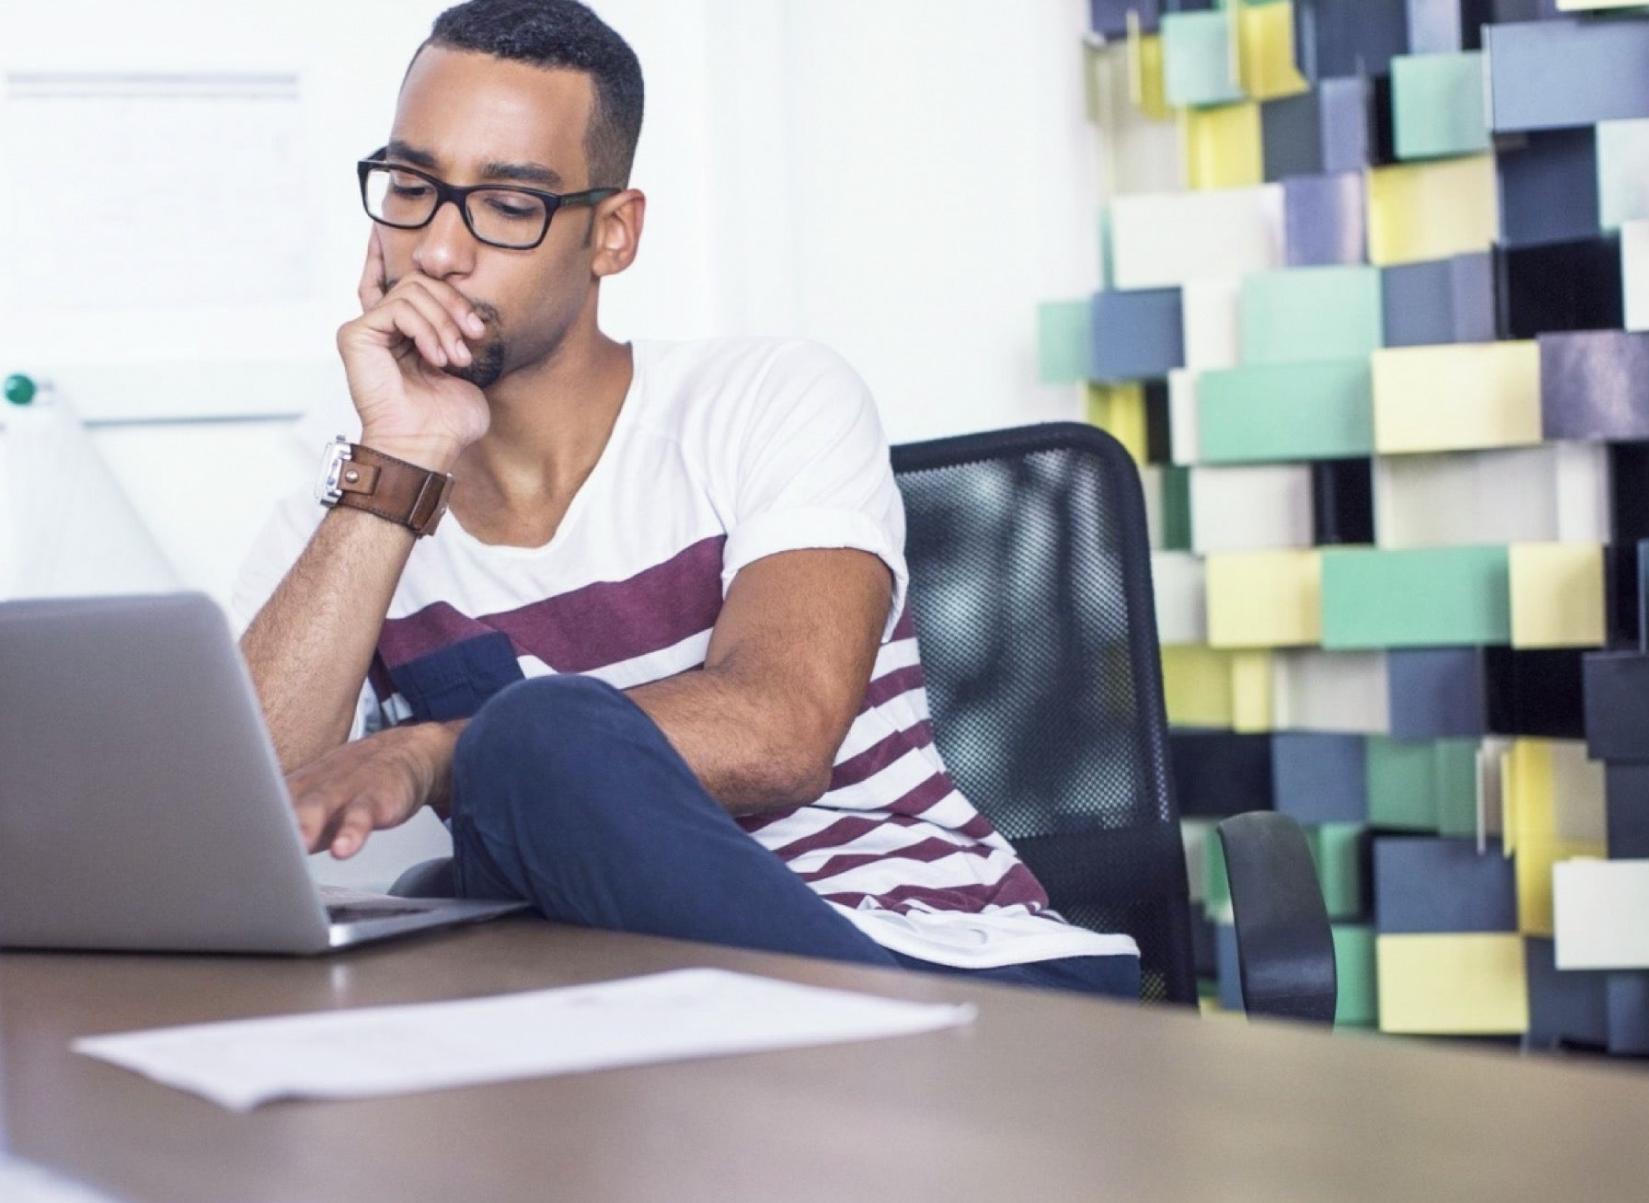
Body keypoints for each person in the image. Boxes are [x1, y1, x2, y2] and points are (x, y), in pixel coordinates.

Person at [232, 0, 1140, 1000]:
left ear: (612, 234)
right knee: (460, 893)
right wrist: (401, 458)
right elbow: (238, 818)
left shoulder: (765, 399)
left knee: (531, 738)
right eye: (412, 186)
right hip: (639, 1013)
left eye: (507, 203)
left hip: (940, 969)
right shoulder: (356, 513)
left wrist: (440, 755)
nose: (439, 252)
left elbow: (781, 729)